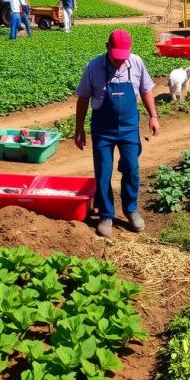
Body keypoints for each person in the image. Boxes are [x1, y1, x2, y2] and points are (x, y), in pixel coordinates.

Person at [74, 30, 160, 237]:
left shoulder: (137, 63)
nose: (120, 62)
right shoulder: (94, 67)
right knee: (103, 172)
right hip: (103, 128)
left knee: (131, 168)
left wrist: (153, 115)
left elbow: (145, 89)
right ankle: (106, 214)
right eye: (115, 57)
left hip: (129, 126)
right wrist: (79, 129)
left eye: (123, 58)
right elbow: (83, 98)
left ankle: (131, 210)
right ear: (107, 48)